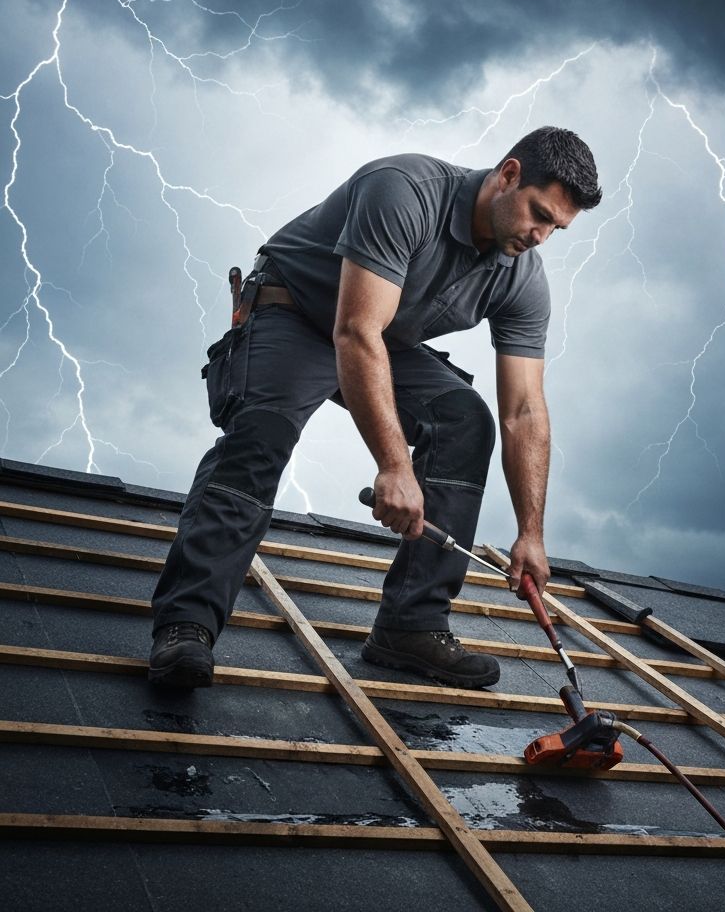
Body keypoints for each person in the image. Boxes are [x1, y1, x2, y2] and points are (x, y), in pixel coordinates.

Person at [148, 126, 602, 690]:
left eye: (555, 228)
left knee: (466, 421)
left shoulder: (521, 275)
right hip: (298, 312)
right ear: (507, 174)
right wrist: (394, 465)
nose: (540, 237)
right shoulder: (405, 191)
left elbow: (525, 411)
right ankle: (186, 623)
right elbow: (355, 330)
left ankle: (410, 627)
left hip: (382, 338)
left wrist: (531, 533)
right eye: (538, 214)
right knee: (261, 437)